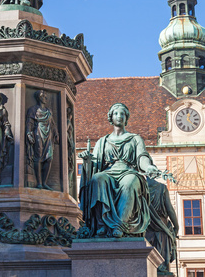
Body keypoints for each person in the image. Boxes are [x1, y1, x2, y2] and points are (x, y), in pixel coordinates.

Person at [79, 103, 160, 238]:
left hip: (128, 172)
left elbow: (142, 157)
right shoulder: (102, 141)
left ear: (126, 118)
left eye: (122, 114)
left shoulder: (135, 139)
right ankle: (102, 225)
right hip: (108, 173)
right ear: (111, 117)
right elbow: (95, 163)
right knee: (97, 179)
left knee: (130, 183)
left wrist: (149, 167)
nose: (119, 116)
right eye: (116, 113)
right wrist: (86, 160)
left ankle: (120, 225)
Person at [26, 90, 59, 190]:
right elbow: (29, 122)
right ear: (39, 98)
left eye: (46, 96)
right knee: (38, 157)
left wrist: (56, 133)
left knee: (49, 158)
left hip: (48, 134)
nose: (45, 98)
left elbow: (52, 123)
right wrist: (28, 133)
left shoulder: (49, 111)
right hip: (38, 132)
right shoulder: (33, 109)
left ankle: (44, 182)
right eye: (43, 96)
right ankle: (39, 182)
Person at [145, 177, 179, 273]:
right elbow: (170, 210)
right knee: (162, 262)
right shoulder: (162, 188)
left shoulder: (141, 188)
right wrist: (176, 226)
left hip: (146, 227)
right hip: (162, 227)